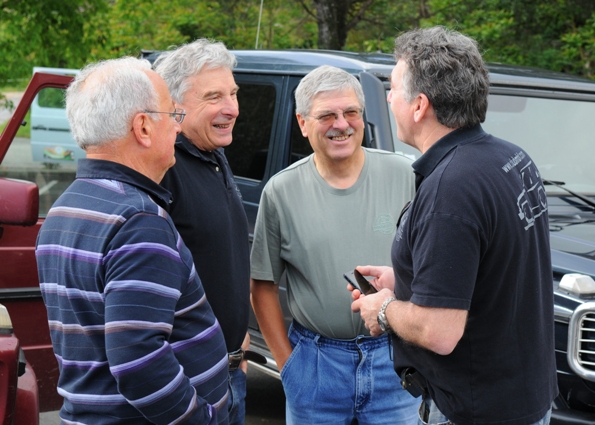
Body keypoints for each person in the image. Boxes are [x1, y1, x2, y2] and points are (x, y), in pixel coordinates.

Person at [351, 26, 558, 425]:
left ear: (419, 105)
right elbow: (494, 270)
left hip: (476, 411)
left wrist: (383, 307)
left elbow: (439, 332)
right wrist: (406, 279)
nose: (389, 98)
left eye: (393, 88)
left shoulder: (451, 188)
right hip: (523, 397)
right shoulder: (511, 158)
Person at [35, 57, 229, 424]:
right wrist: (201, 418)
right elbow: (139, 362)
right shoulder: (138, 222)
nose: (178, 126)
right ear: (143, 127)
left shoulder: (65, 207)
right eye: (173, 114)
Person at [250, 65, 420, 424]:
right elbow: (262, 286)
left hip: (395, 363)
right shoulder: (280, 192)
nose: (341, 124)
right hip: (315, 366)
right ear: (302, 123)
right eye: (326, 115)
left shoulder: (406, 176)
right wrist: (288, 366)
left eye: (351, 112)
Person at [153, 39, 262, 425]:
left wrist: (238, 345)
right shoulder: (164, 168)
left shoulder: (214, 153)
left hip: (230, 371)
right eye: (214, 96)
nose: (232, 108)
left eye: (233, 93)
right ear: (174, 105)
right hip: (191, 380)